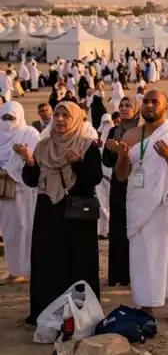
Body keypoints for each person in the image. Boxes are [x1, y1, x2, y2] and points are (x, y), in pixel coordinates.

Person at [108, 90, 168, 324]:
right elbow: (121, 176)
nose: (149, 106)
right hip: (140, 203)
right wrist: (121, 156)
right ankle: (146, 305)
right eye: (146, 102)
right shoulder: (130, 136)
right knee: (143, 257)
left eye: (154, 102)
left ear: (165, 105)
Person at [16, 101, 103, 325]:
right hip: (48, 213)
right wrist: (29, 162)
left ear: (75, 119)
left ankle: (79, 315)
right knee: (48, 263)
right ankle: (45, 312)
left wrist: (76, 164)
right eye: (57, 114)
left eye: (66, 115)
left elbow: (93, 179)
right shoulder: (43, 146)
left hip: (76, 216)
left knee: (78, 264)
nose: (61, 119)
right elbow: (32, 180)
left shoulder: (87, 145)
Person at [0, 101, 41, 284]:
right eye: (4, 118)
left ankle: (28, 268)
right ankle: (14, 269)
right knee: (9, 232)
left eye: (12, 118)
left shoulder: (29, 133)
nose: (8, 122)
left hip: (24, 188)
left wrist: (23, 156)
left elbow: (36, 159)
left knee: (25, 228)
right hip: (4, 190)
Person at [102, 96, 140, 286]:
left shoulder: (143, 131)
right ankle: (119, 275)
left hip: (139, 184)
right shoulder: (113, 131)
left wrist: (125, 153)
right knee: (118, 229)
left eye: (128, 106)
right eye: (122, 106)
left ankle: (137, 273)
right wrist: (112, 151)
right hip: (119, 185)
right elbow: (106, 162)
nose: (124, 109)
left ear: (136, 109)